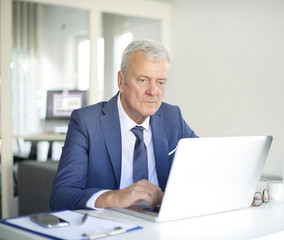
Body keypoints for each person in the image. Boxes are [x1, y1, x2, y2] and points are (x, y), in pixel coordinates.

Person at [50, 39, 197, 211]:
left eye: (160, 82)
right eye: (143, 80)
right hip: (110, 228)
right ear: (121, 81)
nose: (153, 91)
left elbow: (205, 164)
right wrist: (115, 197)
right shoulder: (86, 122)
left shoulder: (172, 117)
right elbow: (61, 196)